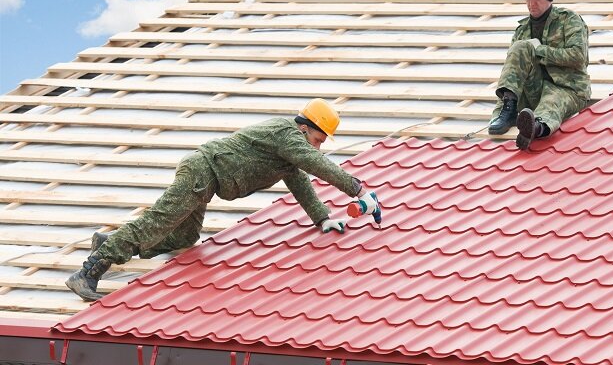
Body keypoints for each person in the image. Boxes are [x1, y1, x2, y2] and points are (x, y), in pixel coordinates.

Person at [65, 98, 381, 301]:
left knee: (186, 236)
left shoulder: (289, 150)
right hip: (203, 171)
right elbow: (317, 167)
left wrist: (322, 218)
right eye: (317, 140)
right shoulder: (287, 135)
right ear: (304, 128)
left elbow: (300, 180)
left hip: (209, 177)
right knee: (156, 223)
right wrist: (359, 191)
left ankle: (109, 242)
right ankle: (89, 272)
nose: (318, 148)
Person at [488, 0, 591, 150]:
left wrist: (540, 50)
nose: (531, 3)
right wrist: (500, 112)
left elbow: (578, 57)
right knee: (520, 47)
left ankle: (536, 128)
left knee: (552, 102)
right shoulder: (522, 30)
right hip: (534, 90)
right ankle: (510, 111)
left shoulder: (569, 20)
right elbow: (513, 74)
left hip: (567, 88)